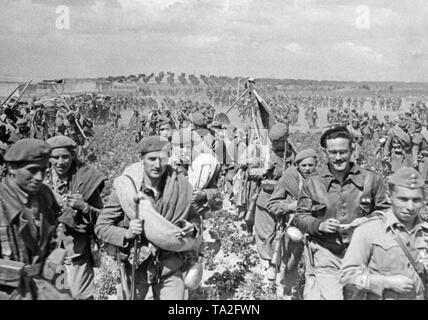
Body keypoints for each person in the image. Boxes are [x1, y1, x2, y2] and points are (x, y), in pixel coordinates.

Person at [95, 136, 203, 300]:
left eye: (162, 159)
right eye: (151, 159)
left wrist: (192, 227)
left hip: (170, 266)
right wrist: (127, 234)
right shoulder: (127, 189)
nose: (157, 165)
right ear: (142, 159)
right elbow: (101, 226)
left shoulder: (181, 186)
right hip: (136, 268)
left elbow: (195, 217)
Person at [294, 125, 389, 300]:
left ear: (352, 149)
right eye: (333, 153)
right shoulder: (313, 182)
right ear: (325, 153)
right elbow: (300, 217)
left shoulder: (371, 179)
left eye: (343, 152)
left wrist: (367, 221)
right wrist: (319, 225)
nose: (338, 158)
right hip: (326, 252)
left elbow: (386, 213)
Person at [340, 167, 428, 300]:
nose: (410, 207)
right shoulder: (369, 231)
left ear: (424, 200)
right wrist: (385, 282)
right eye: (403, 199)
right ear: (388, 196)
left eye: (416, 200)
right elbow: (347, 276)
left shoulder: (425, 232)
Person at [0, 139, 71, 300]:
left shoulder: (45, 194)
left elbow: (55, 246)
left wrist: (65, 290)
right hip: (10, 292)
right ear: (12, 168)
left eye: (43, 170)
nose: (39, 177)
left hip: (47, 284)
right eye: (32, 170)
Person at [45, 136, 106, 300]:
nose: (60, 162)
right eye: (55, 157)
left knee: (81, 295)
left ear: (73, 155)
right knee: (61, 293)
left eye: (65, 156)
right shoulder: (42, 179)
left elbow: (104, 217)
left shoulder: (86, 179)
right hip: (53, 252)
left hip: (78, 250)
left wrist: (84, 207)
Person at [267, 148, 318, 295]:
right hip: (293, 228)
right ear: (298, 166)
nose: (308, 169)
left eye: (311, 165)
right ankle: (286, 290)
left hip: (314, 228)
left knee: (314, 265)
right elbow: (272, 204)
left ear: (316, 165)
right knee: (291, 262)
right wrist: (290, 206)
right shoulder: (288, 179)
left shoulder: (321, 180)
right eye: (304, 166)